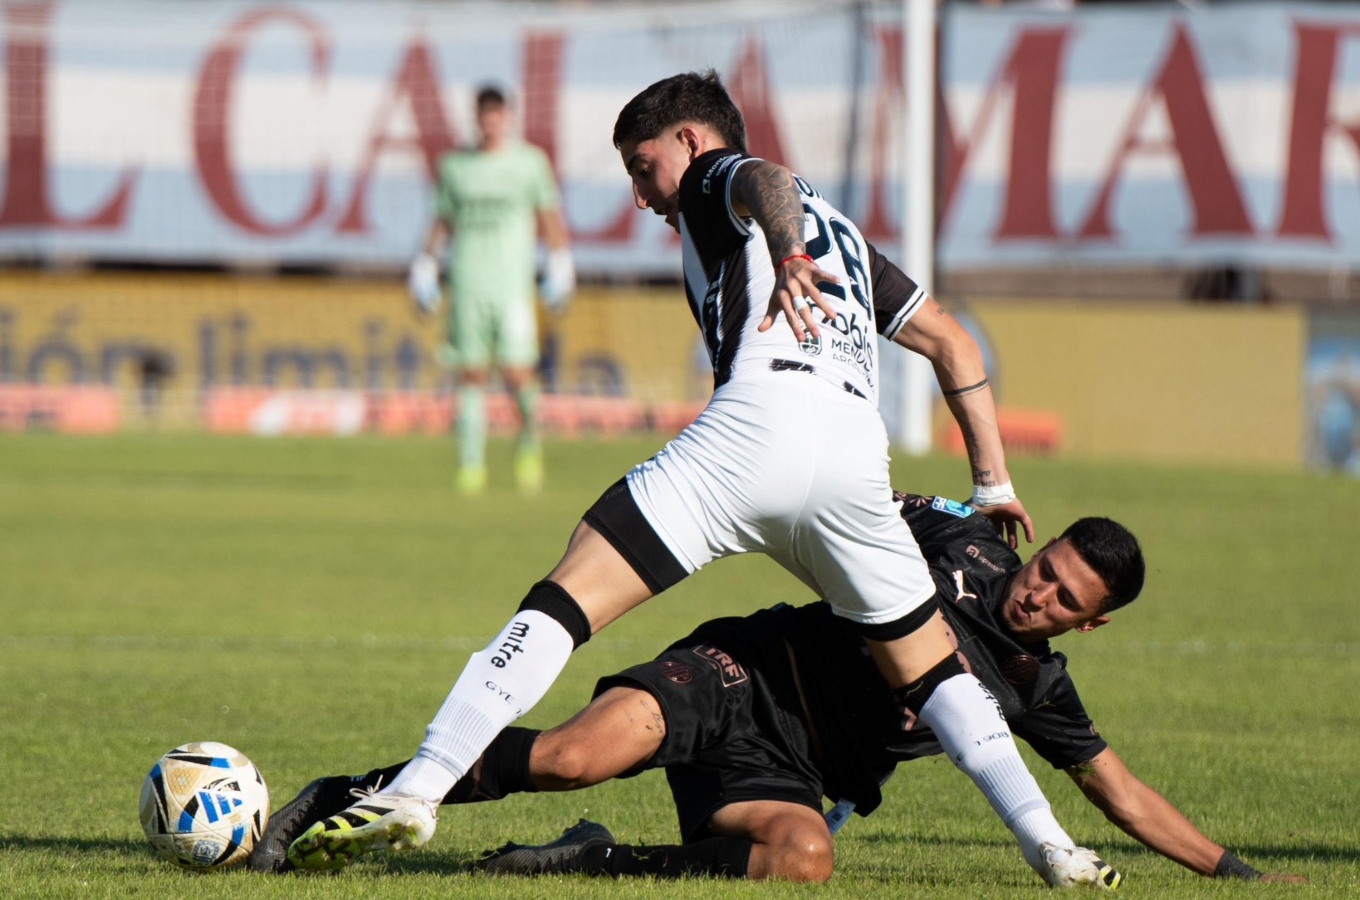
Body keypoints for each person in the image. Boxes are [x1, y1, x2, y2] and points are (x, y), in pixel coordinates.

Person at [289, 70, 1104, 886]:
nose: (642, 196)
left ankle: (420, 787)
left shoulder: (718, 176)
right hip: (855, 461)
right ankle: (1047, 843)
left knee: (565, 600)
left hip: (756, 433)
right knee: (935, 674)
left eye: (643, 168)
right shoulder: (847, 236)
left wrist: (782, 248)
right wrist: (991, 482)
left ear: (688, 140)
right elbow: (953, 343)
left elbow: (761, 178)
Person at [252, 495, 1301, 885]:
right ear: (1040, 547)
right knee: (575, 752)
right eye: (1044, 569)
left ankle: (601, 861)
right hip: (738, 674)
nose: (1035, 596)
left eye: (1061, 598)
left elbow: (1124, 798)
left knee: (803, 860)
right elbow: (844, 494)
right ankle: (350, 792)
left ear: (1089, 619)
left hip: (786, 768)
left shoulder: (1039, 690)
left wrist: (1240, 873)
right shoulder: (957, 541)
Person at [408, 84, 575, 494]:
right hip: (467, 281)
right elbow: (442, 219)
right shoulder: (455, 166)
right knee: (470, 374)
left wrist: (560, 261)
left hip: (512, 285)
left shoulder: (529, 163)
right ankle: (470, 465)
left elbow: (549, 214)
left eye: (497, 116)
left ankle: (528, 444)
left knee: (518, 372)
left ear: (507, 117)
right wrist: (426, 263)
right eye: (484, 117)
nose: (490, 124)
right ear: (477, 119)